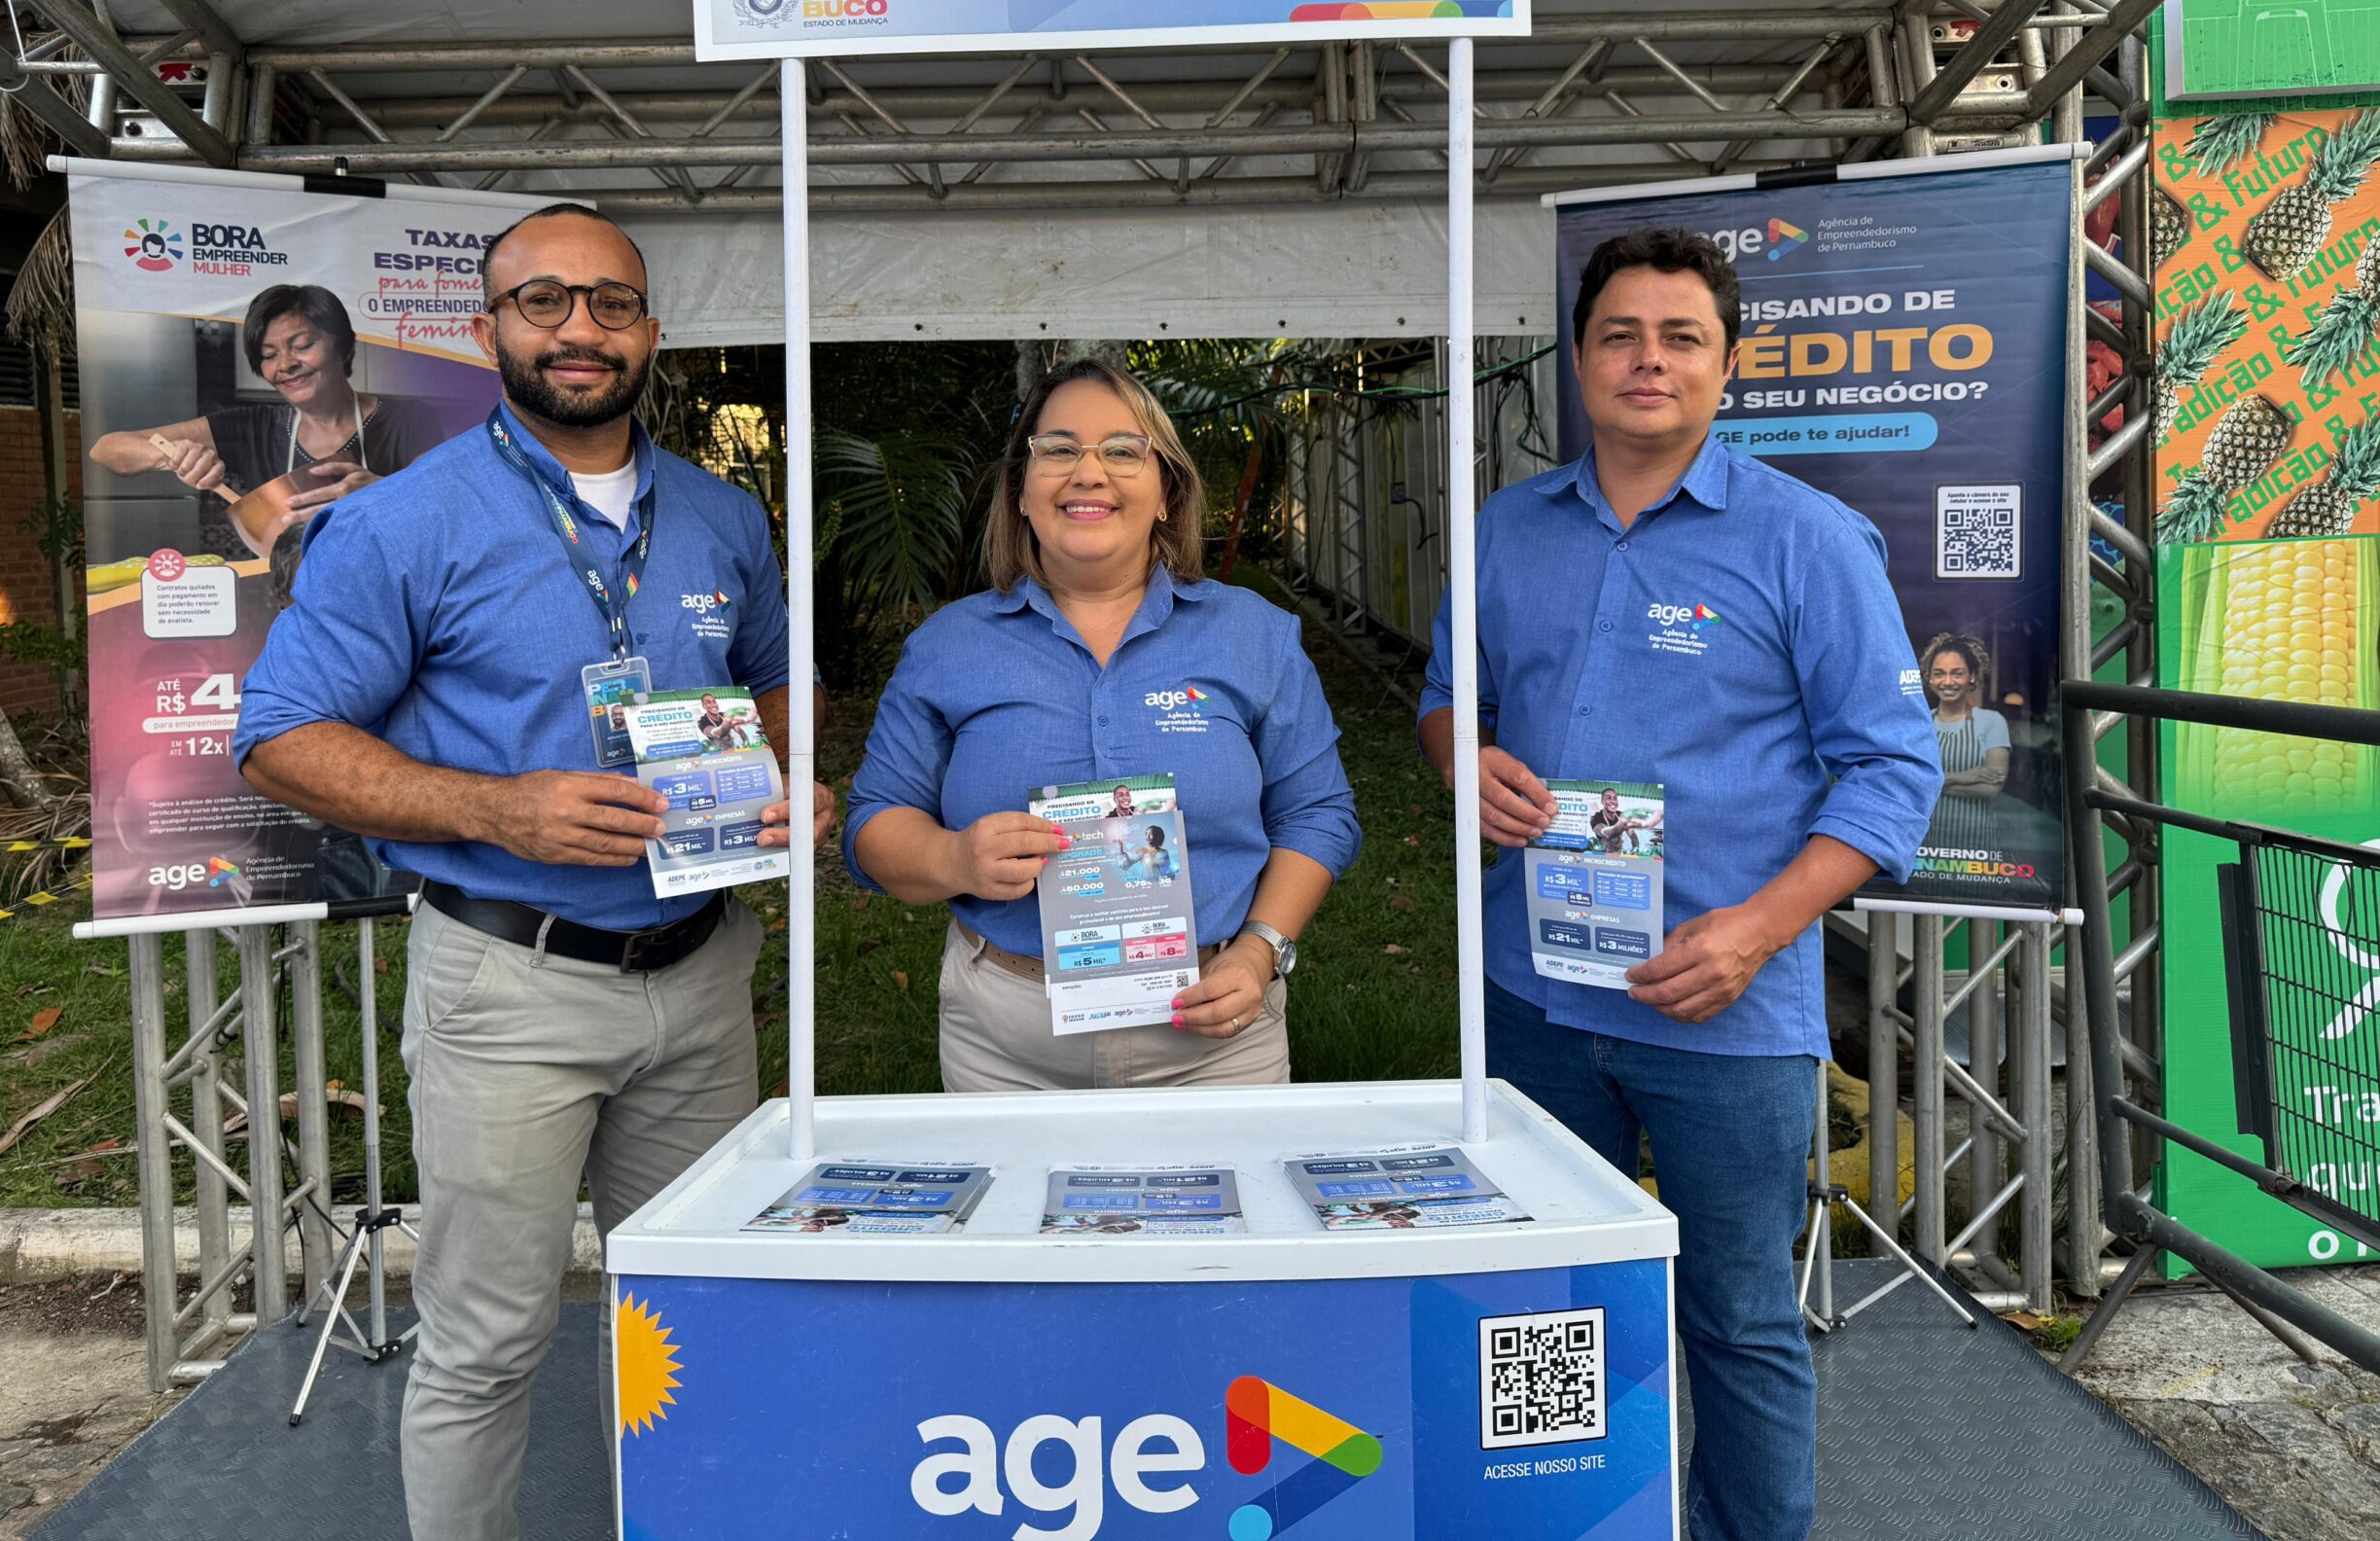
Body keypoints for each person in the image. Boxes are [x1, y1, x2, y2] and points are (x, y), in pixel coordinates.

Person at [232, 203, 833, 1541]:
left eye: (610, 303)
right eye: (544, 301)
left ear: (651, 332)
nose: (579, 328)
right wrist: (498, 809)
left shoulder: (725, 518)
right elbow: (277, 741)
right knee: (488, 1342)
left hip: (701, 973)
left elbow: (773, 683)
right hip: (511, 980)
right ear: (486, 328)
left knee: (694, 1319)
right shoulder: (399, 524)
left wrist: (790, 786)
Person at [1417, 228, 1940, 1541]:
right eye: (1619, 336)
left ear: (1728, 366)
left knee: (1740, 1318)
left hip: (1723, 1009)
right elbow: (1446, 700)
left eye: (1680, 337)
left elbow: (1890, 771)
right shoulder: (1506, 530)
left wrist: (1757, 933)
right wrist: (1463, 760)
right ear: (1578, 359)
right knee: (1547, 1301)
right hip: (1532, 995)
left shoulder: (1807, 540)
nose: (1647, 362)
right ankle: (1574, 1521)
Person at [844, 358, 1360, 1091]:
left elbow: (1317, 815)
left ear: (1166, 490)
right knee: (1015, 1212)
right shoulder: (948, 646)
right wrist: (954, 858)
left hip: (1215, 1044)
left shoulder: (1256, 636)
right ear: (1021, 492)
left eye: (1123, 450)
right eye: (1058, 450)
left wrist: (1262, 948)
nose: (1089, 473)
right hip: (1006, 1049)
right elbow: (872, 824)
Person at [89, 282, 444, 557]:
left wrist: (383, 495)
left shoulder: (410, 419)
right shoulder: (253, 427)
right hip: (292, 608)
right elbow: (107, 449)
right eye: (269, 355)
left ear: (345, 346)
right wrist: (174, 456)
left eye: (302, 345)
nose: (285, 364)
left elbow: (446, 511)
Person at [1921, 632, 2013, 857]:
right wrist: (1968, 776)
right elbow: (1911, 783)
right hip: (1924, 843)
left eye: (1957, 673)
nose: (1948, 682)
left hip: (1975, 847)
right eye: (1939, 674)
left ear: (1971, 676)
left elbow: (1992, 788)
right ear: (1930, 678)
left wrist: (1934, 783)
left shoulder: (1992, 721)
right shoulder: (1920, 726)